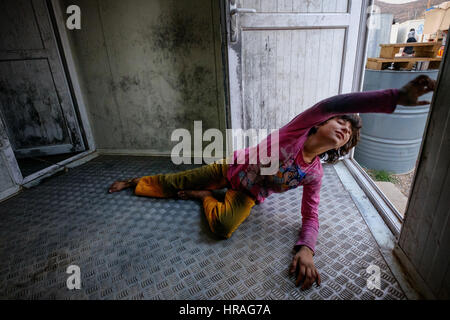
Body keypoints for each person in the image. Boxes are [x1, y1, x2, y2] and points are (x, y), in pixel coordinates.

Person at [108, 75, 435, 290]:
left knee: (222, 228)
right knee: (175, 179)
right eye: (340, 122)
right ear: (321, 123)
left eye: (349, 132)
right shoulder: (294, 132)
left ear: (343, 146)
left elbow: (311, 216)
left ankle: (201, 197)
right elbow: (334, 103)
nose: (344, 129)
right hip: (230, 169)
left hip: (247, 193)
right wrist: (394, 97)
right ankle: (135, 182)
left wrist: (307, 250)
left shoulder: (315, 173)